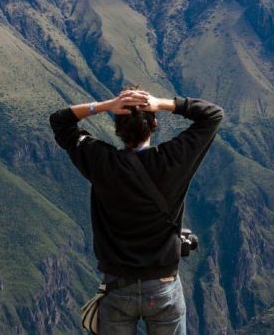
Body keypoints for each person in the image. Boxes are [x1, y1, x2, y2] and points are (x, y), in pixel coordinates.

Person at [49, 87, 224, 334]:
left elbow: (60, 121)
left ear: (117, 129)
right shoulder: (172, 160)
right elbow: (213, 115)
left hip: (117, 287)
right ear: (154, 124)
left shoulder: (101, 161)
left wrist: (105, 105)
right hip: (163, 286)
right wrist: (161, 103)